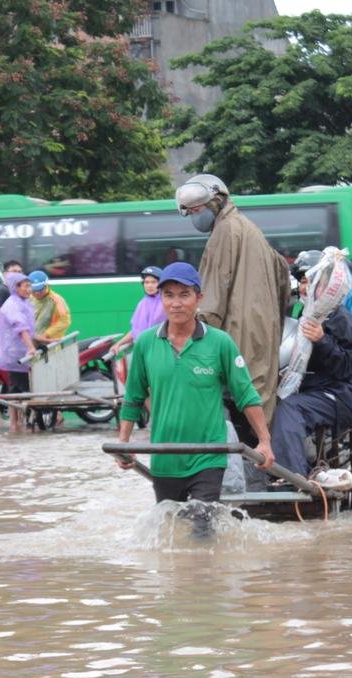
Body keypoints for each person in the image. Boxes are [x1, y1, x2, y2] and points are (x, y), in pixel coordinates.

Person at [116, 262, 274, 520]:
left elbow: (245, 394)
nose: (176, 303)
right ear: (161, 299)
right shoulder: (145, 343)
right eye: (168, 295)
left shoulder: (219, 343)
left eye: (184, 295)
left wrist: (264, 441)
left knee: (202, 528)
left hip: (208, 456)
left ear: (199, 298)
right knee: (172, 533)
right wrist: (123, 442)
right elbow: (133, 397)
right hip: (165, 457)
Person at [175, 174, 290, 423]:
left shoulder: (224, 232)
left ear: (217, 201)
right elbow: (283, 276)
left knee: (231, 404)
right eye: (191, 211)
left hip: (237, 334)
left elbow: (210, 303)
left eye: (198, 209)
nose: (195, 215)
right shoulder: (247, 227)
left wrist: (192, 343)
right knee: (256, 401)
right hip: (262, 332)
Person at [270, 260, 352, 478]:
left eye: (309, 281)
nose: (304, 287)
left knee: (289, 409)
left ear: (324, 284)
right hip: (316, 390)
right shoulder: (306, 314)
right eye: (302, 282)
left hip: (342, 393)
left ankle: (293, 477)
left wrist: (322, 340)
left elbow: (348, 368)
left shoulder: (339, 316)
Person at [0, 272, 37, 433]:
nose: (29, 289)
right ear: (16, 287)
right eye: (26, 286)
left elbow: (30, 329)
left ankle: (19, 424)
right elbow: (21, 328)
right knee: (19, 389)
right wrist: (31, 347)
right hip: (16, 354)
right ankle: (15, 424)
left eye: (29, 286)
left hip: (23, 351)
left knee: (20, 389)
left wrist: (40, 342)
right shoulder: (12, 304)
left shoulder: (25, 302)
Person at [109, 266, 165, 357]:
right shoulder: (143, 303)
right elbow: (135, 331)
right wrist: (119, 344)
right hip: (143, 352)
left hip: (160, 353)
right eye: (146, 282)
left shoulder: (166, 303)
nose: (149, 285)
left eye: (154, 282)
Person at [28, 270, 71, 342]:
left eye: (41, 289)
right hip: (30, 343)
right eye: (34, 290)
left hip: (49, 344)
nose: (37, 293)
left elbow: (65, 321)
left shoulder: (57, 300)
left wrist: (46, 334)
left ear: (47, 285)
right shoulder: (27, 298)